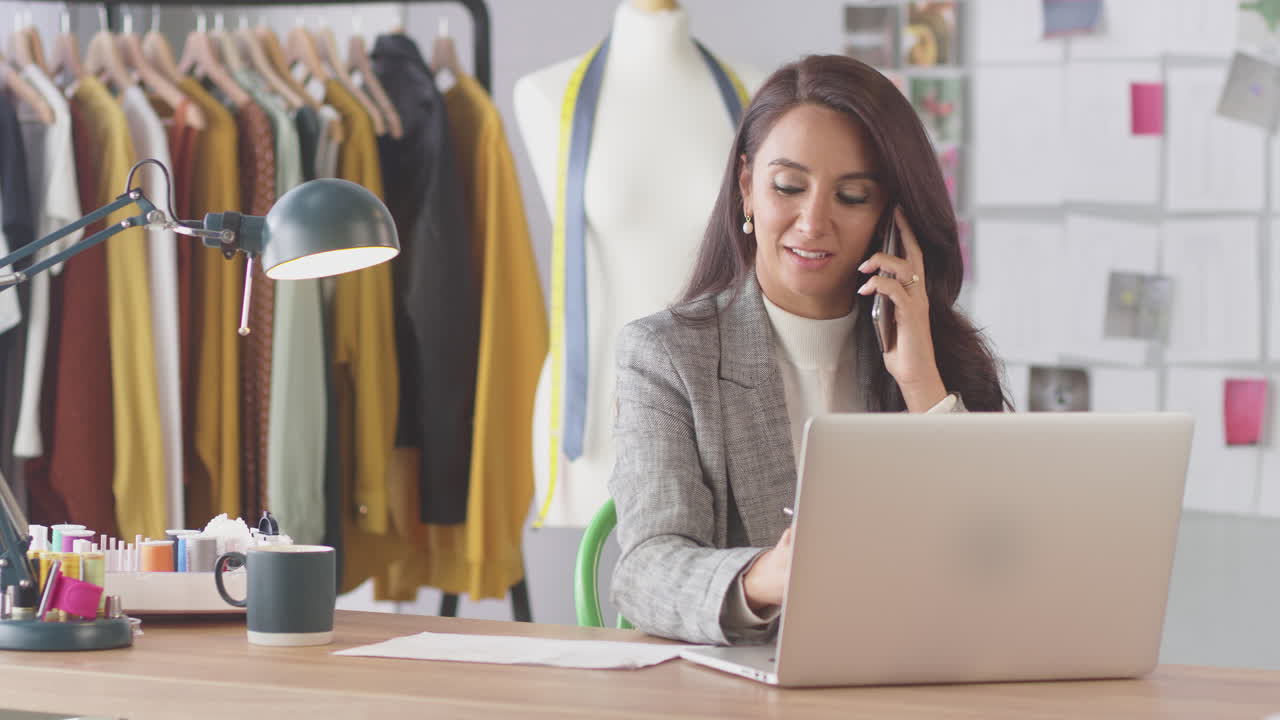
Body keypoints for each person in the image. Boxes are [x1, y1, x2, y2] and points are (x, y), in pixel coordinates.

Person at [607, 54, 1009, 646]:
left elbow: (999, 550)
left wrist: (921, 380)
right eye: (788, 187)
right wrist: (765, 576)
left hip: (916, 679)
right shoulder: (666, 355)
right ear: (747, 187)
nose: (813, 221)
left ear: (888, 218)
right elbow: (644, 572)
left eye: (851, 196)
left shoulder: (937, 357)